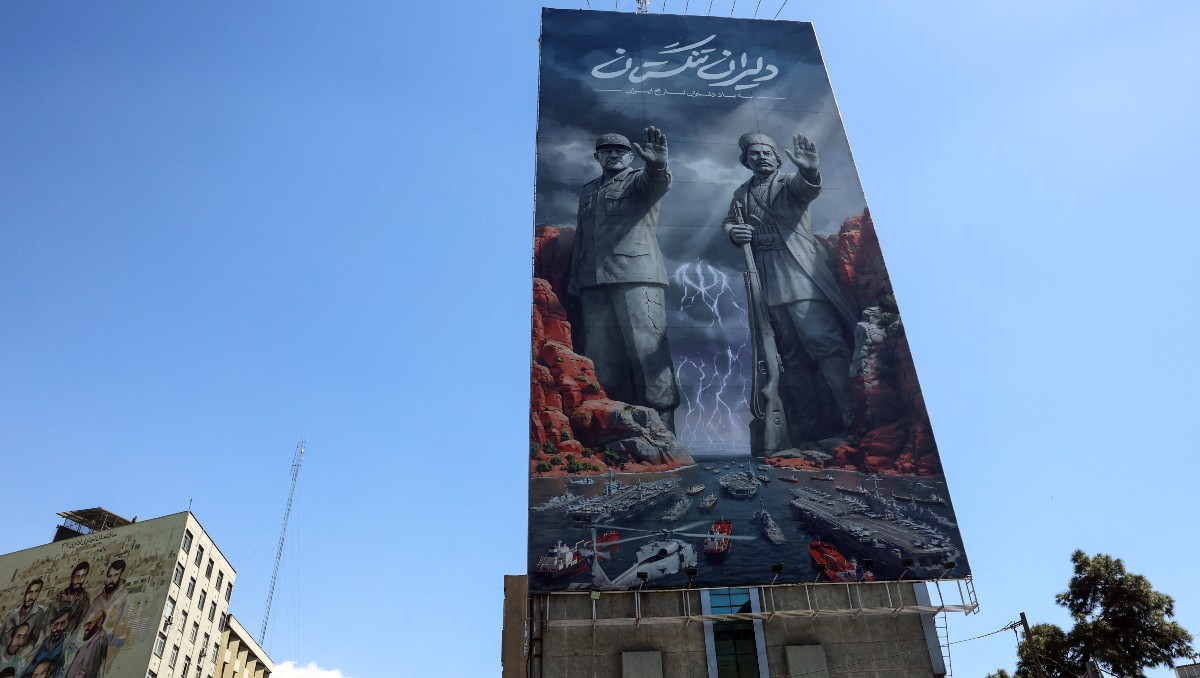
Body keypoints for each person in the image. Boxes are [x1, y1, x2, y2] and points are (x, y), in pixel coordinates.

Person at [723, 132, 858, 443]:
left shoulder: (788, 183)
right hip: (766, 277)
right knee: (789, 357)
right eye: (754, 153)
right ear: (745, 160)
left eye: (766, 152)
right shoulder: (742, 193)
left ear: (776, 157)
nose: (760, 157)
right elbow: (729, 222)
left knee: (825, 344)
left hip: (798, 272)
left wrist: (809, 170)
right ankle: (806, 430)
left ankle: (852, 420)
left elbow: (806, 187)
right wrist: (733, 232)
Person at [568, 127, 680, 430]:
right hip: (593, 281)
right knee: (602, 358)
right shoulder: (589, 190)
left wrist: (658, 165)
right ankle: (617, 426)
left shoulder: (639, 180)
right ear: (597, 157)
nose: (614, 155)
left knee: (648, 353)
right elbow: (582, 236)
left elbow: (657, 183)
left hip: (637, 276)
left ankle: (664, 425)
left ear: (631, 157)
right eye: (607, 151)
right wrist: (575, 277)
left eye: (620, 151)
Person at [86, 560, 128, 659]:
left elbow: (122, 626)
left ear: (120, 576)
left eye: (116, 575)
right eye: (109, 576)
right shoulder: (97, 600)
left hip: (108, 650)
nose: (112, 580)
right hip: (90, 648)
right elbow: (85, 626)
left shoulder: (124, 597)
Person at [3, 581, 47, 647]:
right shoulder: (11, 615)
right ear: (25, 593)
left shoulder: (39, 613)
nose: (32, 597)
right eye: (30, 592)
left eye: (36, 592)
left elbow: (34, 640)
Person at [63, 610, 105, 678]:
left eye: (89, 623)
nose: (86, 627)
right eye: (85, 624)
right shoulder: (93, 640)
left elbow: (86, 672)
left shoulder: (97, 641)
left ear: (99, 621)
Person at [53, 564, 90, 635]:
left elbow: (81, 622)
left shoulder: (85, 598)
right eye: (77, 576)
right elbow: (49, 620)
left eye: (83, 576)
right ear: (71, 578)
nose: (80, 580)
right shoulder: (60, 597)